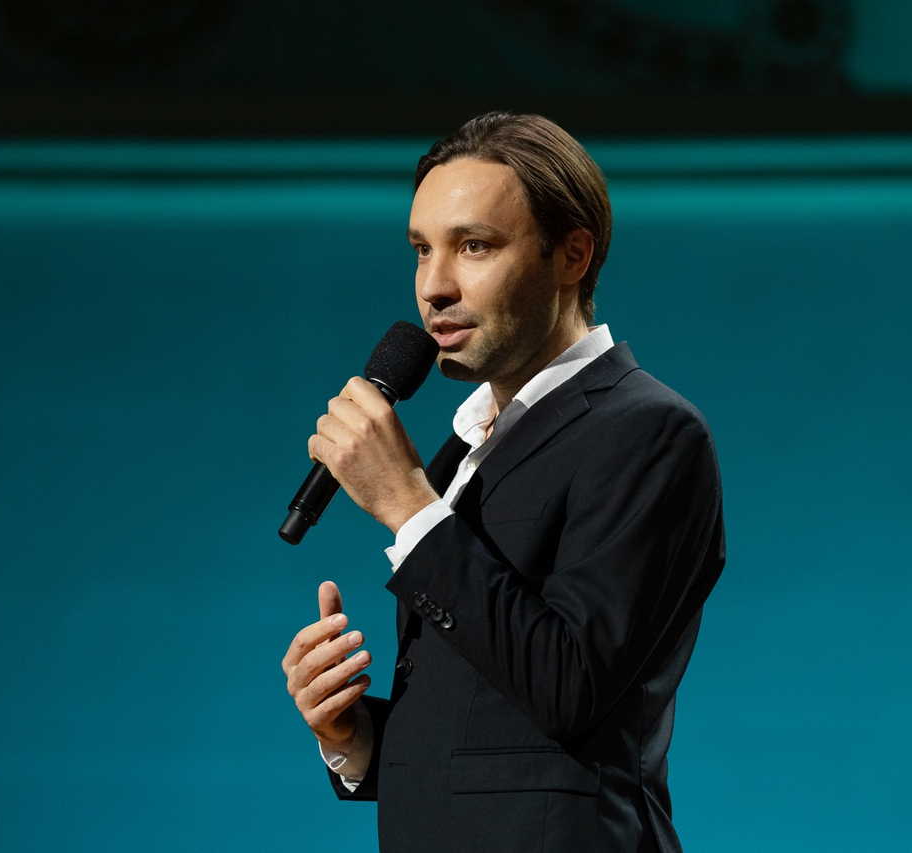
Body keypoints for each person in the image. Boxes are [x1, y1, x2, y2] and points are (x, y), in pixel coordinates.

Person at [281, 112, 726, 853]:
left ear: (572, 254)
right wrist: (352, 735)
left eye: (474, 246)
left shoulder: (650, 432)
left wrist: (408, 506)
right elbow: (493, 744)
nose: (434, 286)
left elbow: (569, 689)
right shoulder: (463, 450)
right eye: (422, 250)